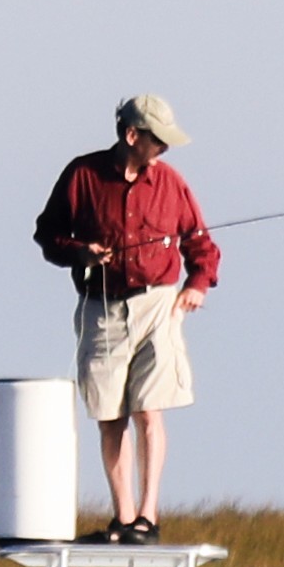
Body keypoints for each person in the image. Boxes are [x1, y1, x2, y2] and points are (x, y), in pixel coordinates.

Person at [31, 94, 220, 539]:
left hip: (158, 304)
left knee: (149, 411)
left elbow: (202, 245)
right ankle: (124, 516)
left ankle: (147, 518)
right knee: (110, 414)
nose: (164, 150)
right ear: (132, 136)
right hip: (102, 307)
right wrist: (78, 252)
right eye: (157, 141)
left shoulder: (171, 183)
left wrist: (196, 285)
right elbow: (47, 233)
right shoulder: (83, 175)